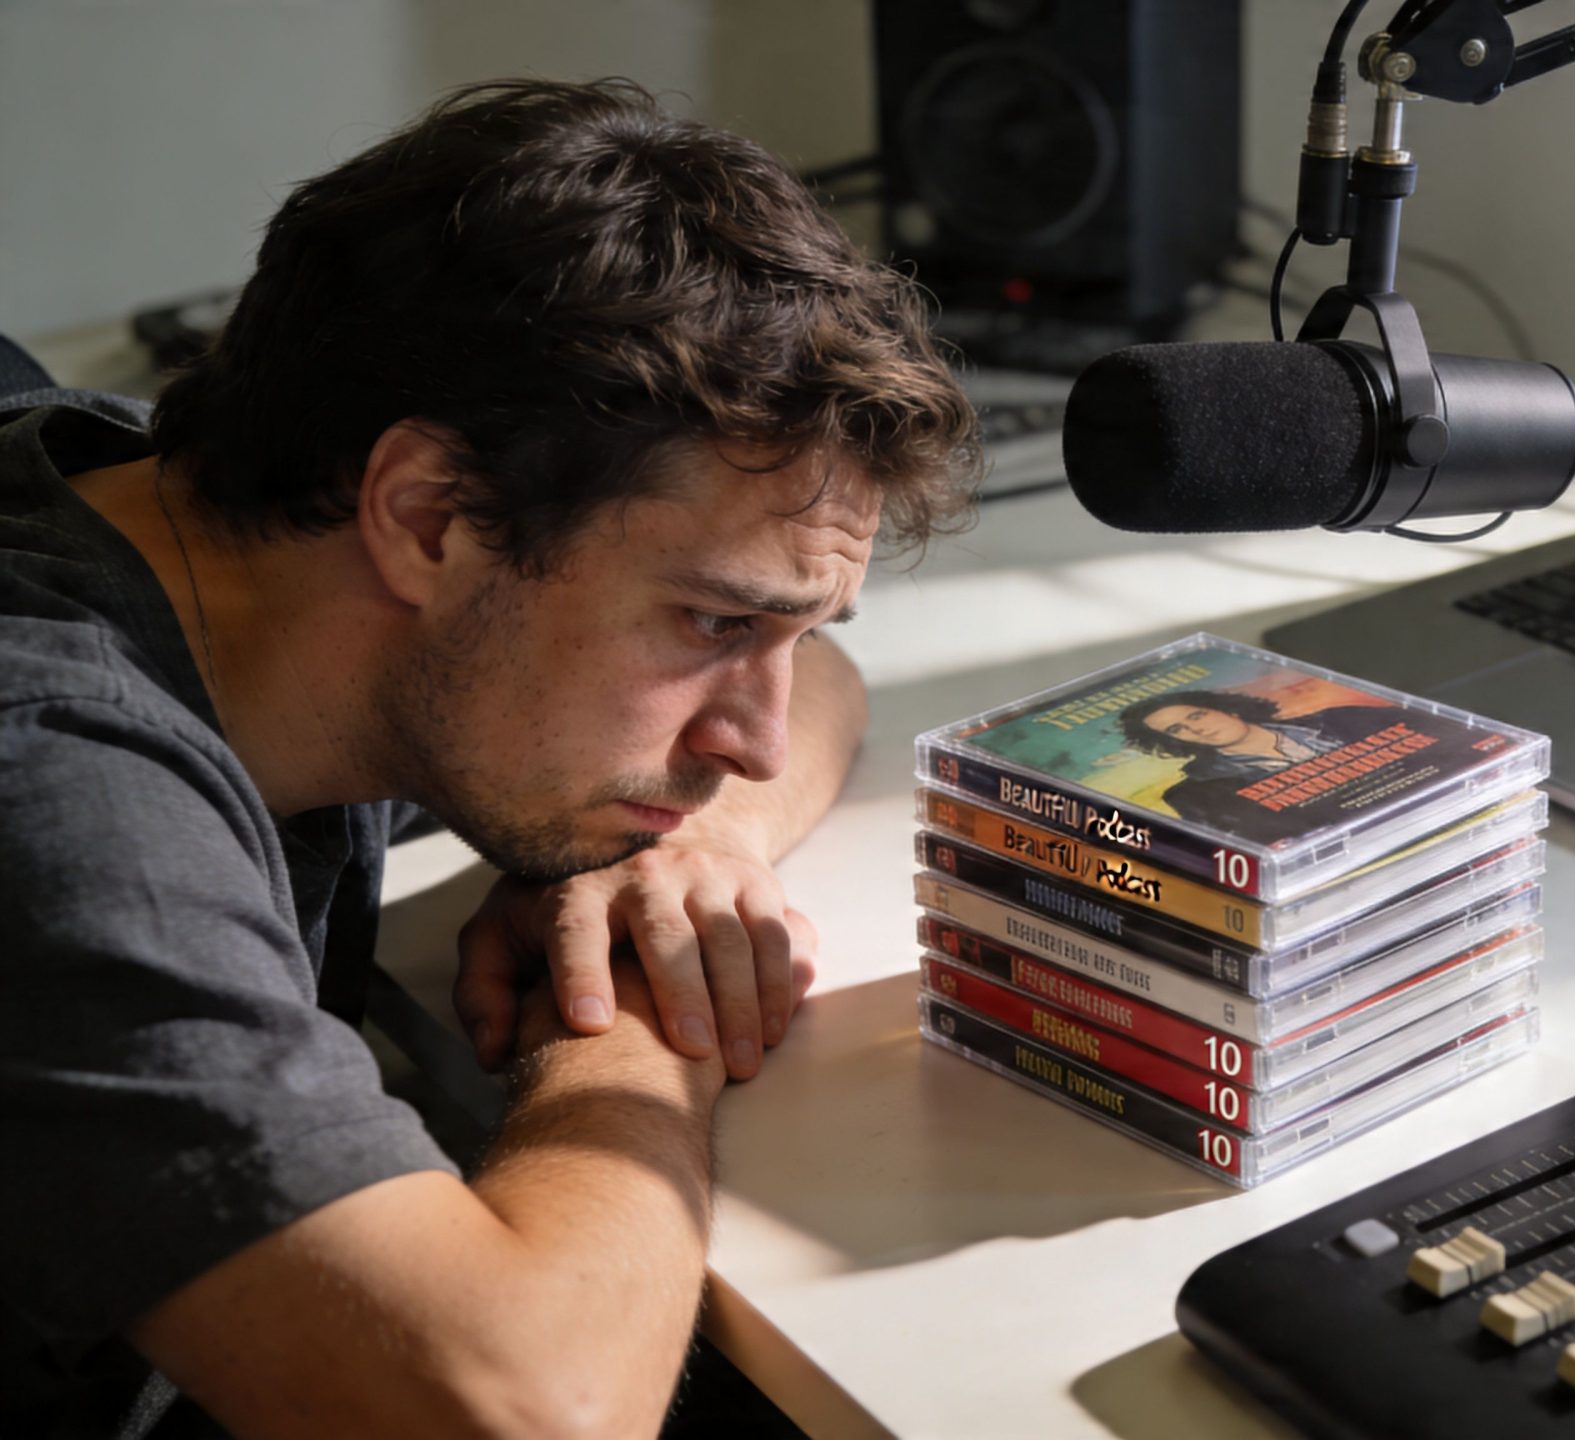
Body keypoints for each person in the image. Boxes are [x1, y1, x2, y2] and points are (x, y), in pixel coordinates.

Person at [0, 80, 977, 1436]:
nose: (753, 743)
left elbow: (825, 682)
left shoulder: (214, 532)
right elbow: (531, 1414)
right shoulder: (55, 787)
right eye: (713, 624)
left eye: (783, 627)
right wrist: (641, 1008)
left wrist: (685, 857)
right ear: (429, 515)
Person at [1118, 689, 1411, 836]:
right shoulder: (1197, 794)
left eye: (1196, 715)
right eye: (1176, 729)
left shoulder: (1342, 718)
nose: (1195, 728)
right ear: (1174, 741)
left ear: (1227, 710)